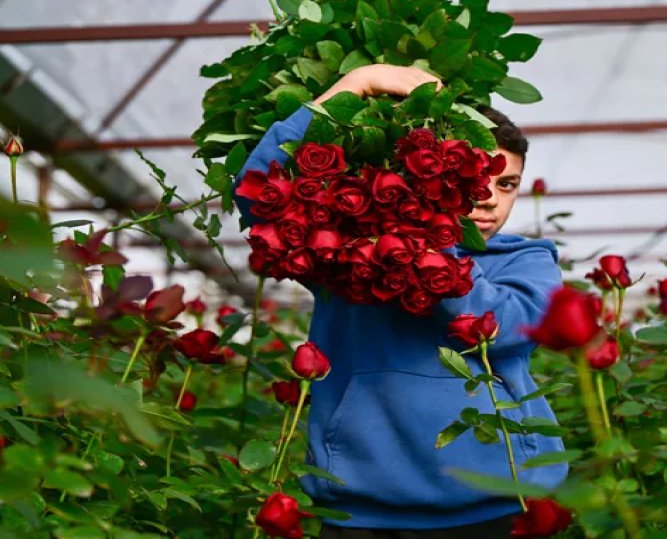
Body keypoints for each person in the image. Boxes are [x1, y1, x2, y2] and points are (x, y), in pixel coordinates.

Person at [236, 64, 567, 538]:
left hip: (495, 503)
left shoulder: (526, 260)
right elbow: (260, 194)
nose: (491, 198)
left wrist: (424, 243)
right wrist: (356, 85)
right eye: (478, 175)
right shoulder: (352, 252)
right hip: (362, 508)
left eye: (507, 184)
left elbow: (505, 327)